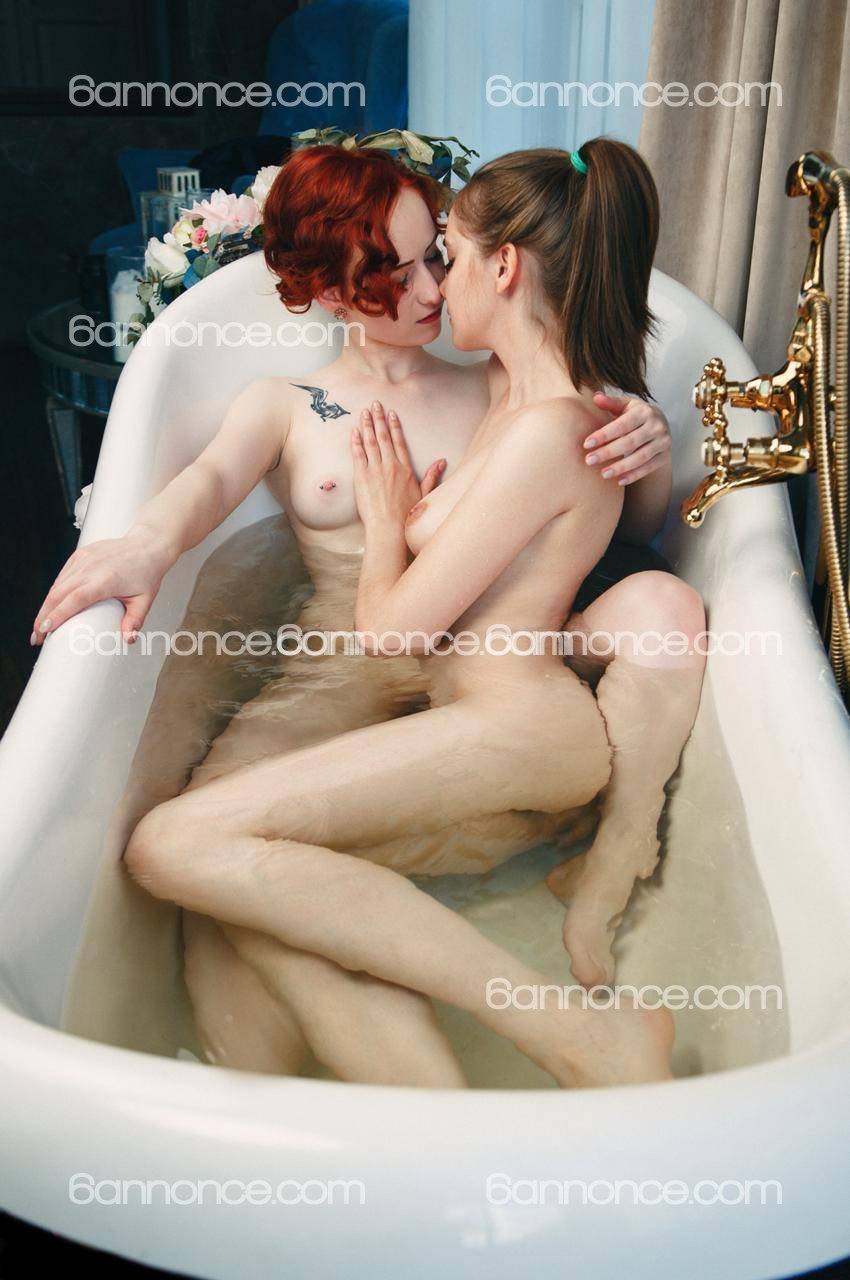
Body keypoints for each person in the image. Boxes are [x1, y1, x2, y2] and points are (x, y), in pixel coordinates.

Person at [109, 137, 708, 1088]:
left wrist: (649, 439)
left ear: (496, 268)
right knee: (239, 886)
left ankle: (566, 1036)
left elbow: (604, 514)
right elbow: (209, 482)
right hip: (350, 682)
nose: (431, 286)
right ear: (330, 290)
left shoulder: (506, 389)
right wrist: (142, 540)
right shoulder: (299, 401)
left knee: (200, 854)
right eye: (398, 269)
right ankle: (391, 1112)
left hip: (474, 695)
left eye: (441, 254)